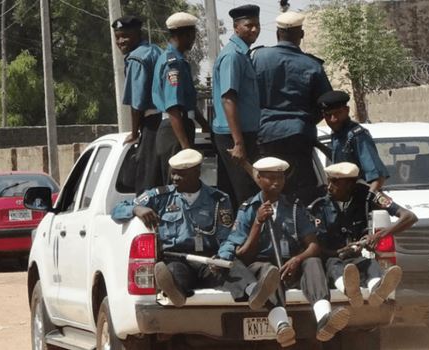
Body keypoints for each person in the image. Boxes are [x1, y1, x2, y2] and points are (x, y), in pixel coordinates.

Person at [111, 149, 279, 310]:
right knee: (174, 272)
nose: (175, 178)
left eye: (181, 174)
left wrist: (222, 256)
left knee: (233, 268)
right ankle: (175, 292)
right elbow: (117, 210)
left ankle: (254, 293)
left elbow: (228, 236)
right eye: (173, 173)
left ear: (197, 172)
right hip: (177, 257)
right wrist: (136, 209)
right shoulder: (159, 196)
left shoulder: (218, 199)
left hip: (209, 259)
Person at [219, 157, 350, 347]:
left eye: (280, 178)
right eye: (270, 178)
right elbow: (243, 254)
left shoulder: (295, 207)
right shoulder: (248, 209)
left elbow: (313, 246)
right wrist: (258, 223)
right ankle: (281, 326)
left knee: (312, 261)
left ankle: (324, 318)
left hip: (290, 265)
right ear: (258, 179)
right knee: (268, 271)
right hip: (263, 266)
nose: (277, 182)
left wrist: (298, 259)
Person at [308, 162, 417, 307]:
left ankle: (377, 290)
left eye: (335, 182)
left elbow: (409, 217)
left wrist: (379, 235)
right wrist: (339, 252)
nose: (329, 187)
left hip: (356, 257)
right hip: (332, 258)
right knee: (334, 266)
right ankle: (350, 291)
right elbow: (315, 247)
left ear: (350, 184)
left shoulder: (368, 196)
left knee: (370, 265)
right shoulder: (319, 205)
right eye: (329, 181)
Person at [251, 11, 332, 204]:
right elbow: (327, 103)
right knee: (303, 194)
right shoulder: (312, 65)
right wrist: (305, 121)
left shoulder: (258, 57)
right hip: (299, 136)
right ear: (301, 35)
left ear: (277, 34)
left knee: (268, 190)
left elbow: (247, 96)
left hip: (266, 135)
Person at [212, 4, 261, 208]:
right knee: (246, 196)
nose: (254, 30)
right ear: (236, 27)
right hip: (234, 136)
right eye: (249, 25)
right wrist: (238, 143)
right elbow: (228, 99)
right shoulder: (232, 56)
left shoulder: (243, 54)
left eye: (257, 25)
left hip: (243, 134)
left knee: (237, 195)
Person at [152, 12, 209, 183]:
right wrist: (185, 147)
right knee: (177, 185)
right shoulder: (173, 64)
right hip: (174, 130)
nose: (193, 40)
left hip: (179, 126)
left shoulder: (178, 60)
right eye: (193, 36)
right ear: (186, 35)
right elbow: (173, 108)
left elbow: (188, 102)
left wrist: (205, 125)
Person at [112, 15, 163, 194]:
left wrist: (134, 133)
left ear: (137, 34)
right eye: (117, 36)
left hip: (153, 124)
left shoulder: (136, 59)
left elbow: (137, 103)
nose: (121, 41)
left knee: (146, 183)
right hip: (170, 120)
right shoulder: (156, 50)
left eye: (126, 36)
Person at [319, 91, 389, 193]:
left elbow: (377, 178)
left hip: (359, 197)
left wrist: (366, 200)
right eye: (328, 115)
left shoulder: (357, 136)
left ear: (347, 110)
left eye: (338, 113)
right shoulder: (337, 134)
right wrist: (317, 145)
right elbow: (341, 160)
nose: (333, 119)